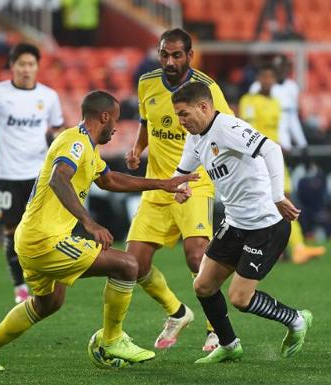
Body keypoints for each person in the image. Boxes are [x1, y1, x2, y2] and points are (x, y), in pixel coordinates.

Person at [0, 90, 198, 371]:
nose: (116, 129)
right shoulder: (74, 142)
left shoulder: (87, 146)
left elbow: (110, 180)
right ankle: (111, 340)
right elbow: (58, 179)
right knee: (126, 265)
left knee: (47, 304)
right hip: (45, 239)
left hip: (32, 238)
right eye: (117, 121)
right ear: (104, 116)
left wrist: (163, 184)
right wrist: (90, 223)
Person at [171, 81, 313, 363]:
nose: (180, 121)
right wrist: (180, 186)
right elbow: (183, 169)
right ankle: (229, 344)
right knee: (203, 286)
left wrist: (277, 196)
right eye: (177, 115)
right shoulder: (196, 136)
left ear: (204, 107)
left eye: (184, 113)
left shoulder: (228, 128)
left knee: (240, 298)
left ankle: (296, 319)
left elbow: (272, 149)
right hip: (236, 224)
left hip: (266, 225)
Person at [124, 28, 234, 352]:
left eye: (176, 55)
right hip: (158, 185)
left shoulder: (207, 88)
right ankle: (177, 313)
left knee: (197, 255)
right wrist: (136, 149)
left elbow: (227, 129)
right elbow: (148, 123)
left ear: (189, 56)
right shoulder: (146, 83)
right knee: (134, 265)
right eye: (164, 55)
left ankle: (216, 329)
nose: (169, 61)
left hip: (195, 182)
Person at [0, 43, 65, 304]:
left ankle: (43, 279)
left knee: (43, 229)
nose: (26, 69)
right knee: (11, 230)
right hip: (9, 174)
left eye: (31, 64)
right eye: (21, 64)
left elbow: (58, 131)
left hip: (39, 175)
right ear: (12, 66)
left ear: (37, 66)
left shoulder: (48, 96)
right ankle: (19, 286)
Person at [247, 58, 325, 263]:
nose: (267, 81)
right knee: (264, 205)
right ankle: (275, 248)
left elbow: (280, 129)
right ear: (258, 79)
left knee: (285, 200)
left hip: (276, 158)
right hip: (256, 160)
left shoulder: (275, 103)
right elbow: (249, 133)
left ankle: (295, 247)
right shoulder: (249, 101)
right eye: (264, 77)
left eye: (270, 77)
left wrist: (287, 145)